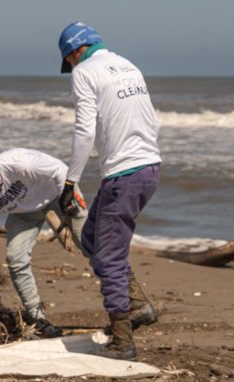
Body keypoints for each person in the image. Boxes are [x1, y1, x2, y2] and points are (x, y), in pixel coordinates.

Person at [58, 21, 161, 360]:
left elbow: (84, 132)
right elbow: (151, 120)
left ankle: (122, 339)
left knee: (110, 255)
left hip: (124, 174)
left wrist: (70, 182)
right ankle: (137, 306)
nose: (71, 66)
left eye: (69, 60)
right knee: (90, 238)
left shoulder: (85, 72)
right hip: (147, 168)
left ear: (75, 52)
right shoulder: (129, 66)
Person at [0, 148, 92, 338]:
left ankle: (129, 300)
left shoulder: (18, 163)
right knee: (15, 258)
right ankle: (38, 319)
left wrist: (69, 195)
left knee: (91, 246)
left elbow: (60, 170)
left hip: (58, 193)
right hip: (25, 213)